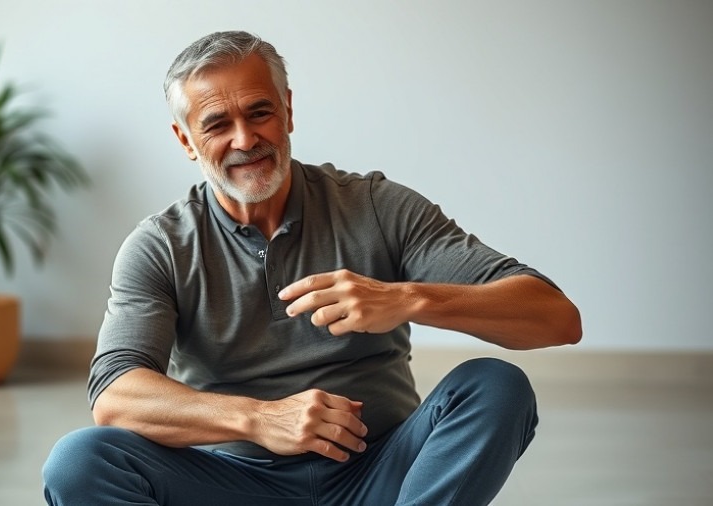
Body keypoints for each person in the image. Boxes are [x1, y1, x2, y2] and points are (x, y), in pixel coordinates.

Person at [43, 30, 581, 506]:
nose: (245, 139)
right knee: (80, 460)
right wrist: (258, 419)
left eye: (259, 112)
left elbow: (555, 317)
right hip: (230, 481)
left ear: (288, 110)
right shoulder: (161, 246)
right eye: (216, 124)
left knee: (495, 385)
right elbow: (115, 396)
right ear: (185, 141)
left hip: (382, 475)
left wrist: (409, 298)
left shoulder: (376, 206)